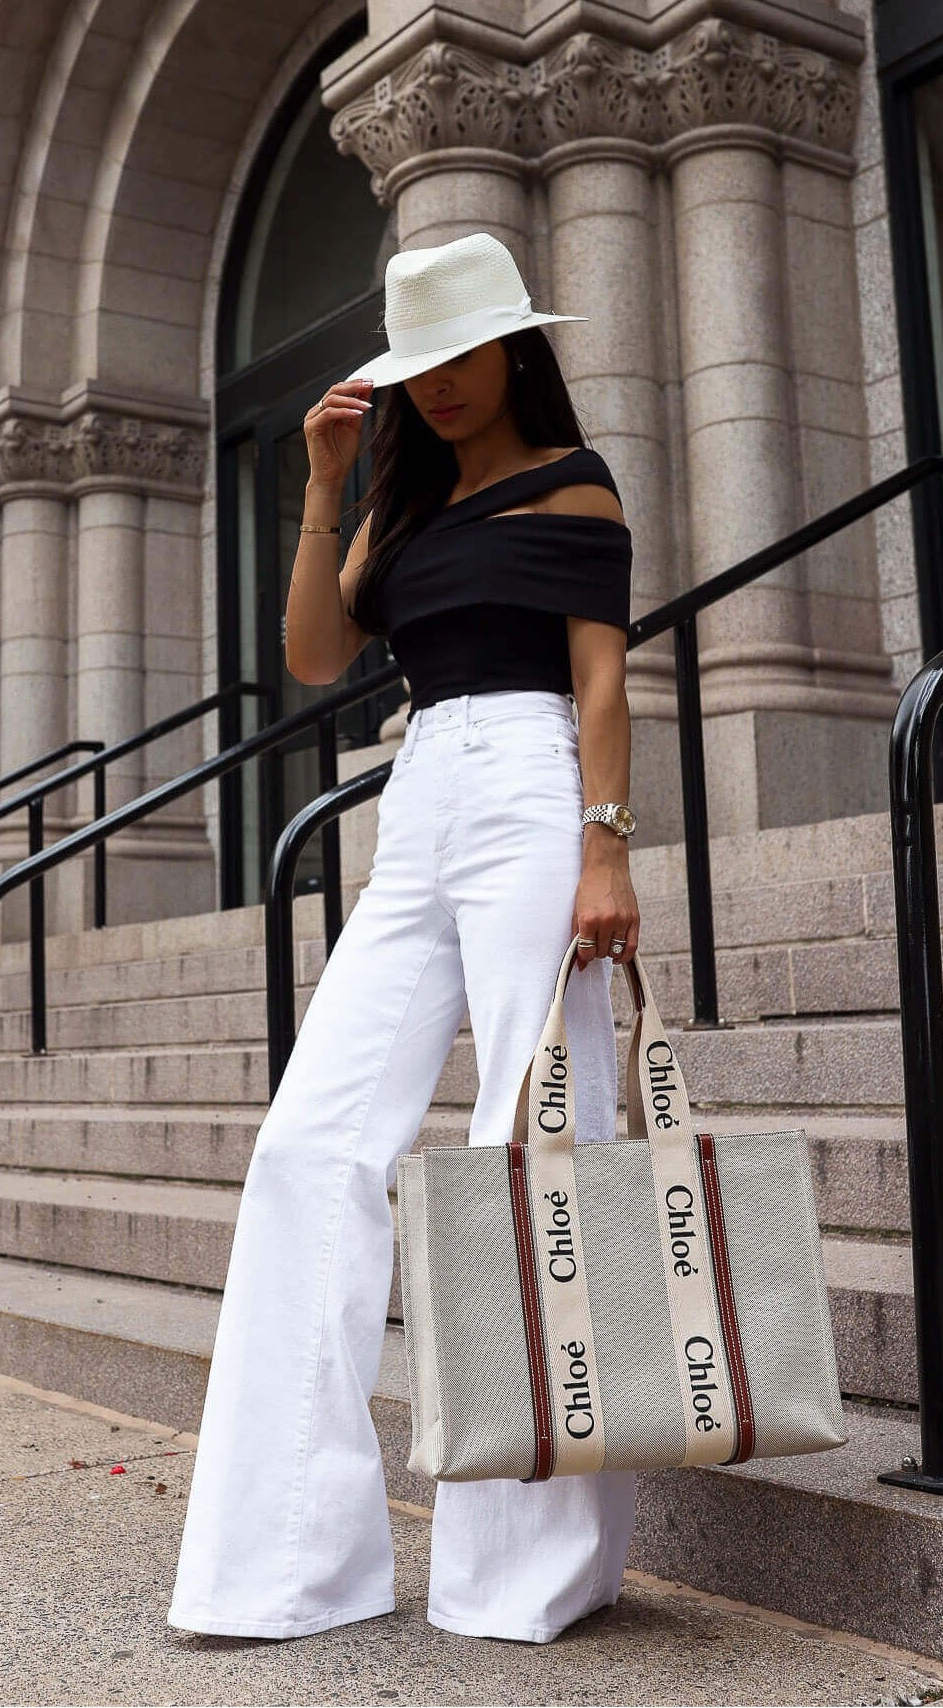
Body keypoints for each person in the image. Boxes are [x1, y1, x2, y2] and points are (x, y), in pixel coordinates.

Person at [168, 231, 642, 1644]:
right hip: (419, 794)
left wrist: (605, 847)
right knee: (309, 1145)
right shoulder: (401, 506)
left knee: (529, 1141)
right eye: (415, 363)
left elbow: (600, 681)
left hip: (534, 788)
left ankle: (527, 1570)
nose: (437, 384)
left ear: (513, 351)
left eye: (460, 355)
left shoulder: (574, 483)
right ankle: (287, 1563)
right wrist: (324, 488)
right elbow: (316, 656)